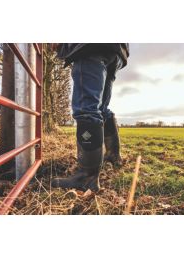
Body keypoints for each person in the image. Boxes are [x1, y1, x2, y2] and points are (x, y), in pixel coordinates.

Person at [51, 43, 129, 192]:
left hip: (88, 45)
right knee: (101, 108)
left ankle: (87, 177)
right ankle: (113, 155)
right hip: (117, 49)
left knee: (86, 110)